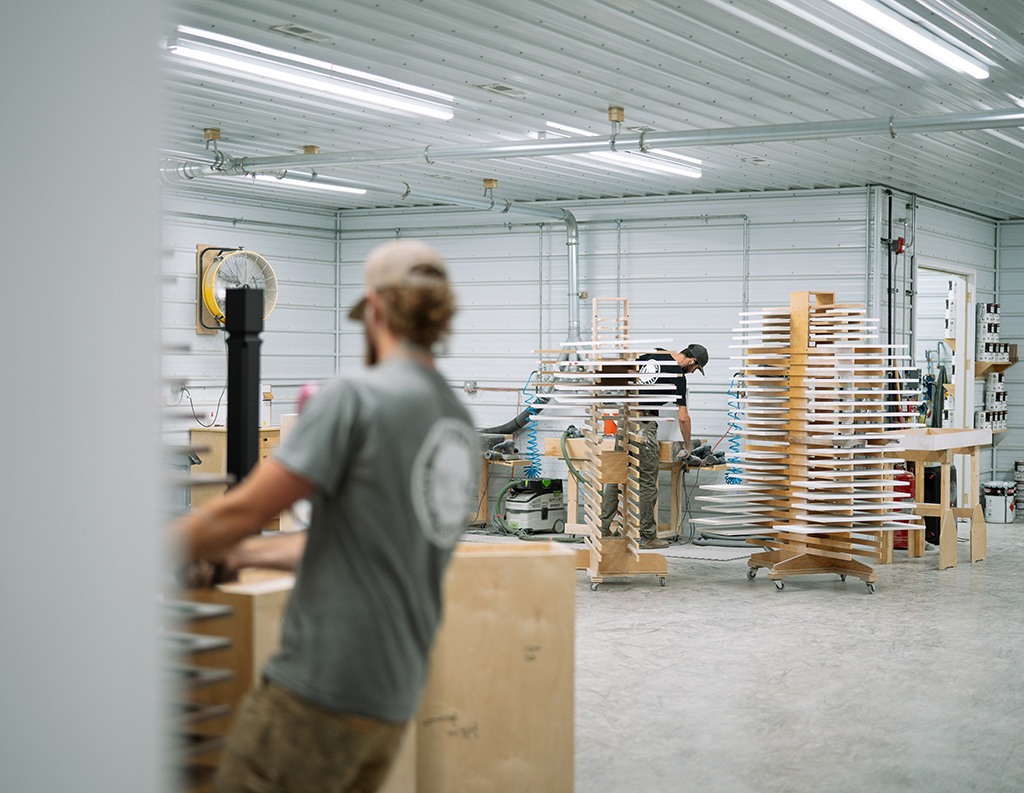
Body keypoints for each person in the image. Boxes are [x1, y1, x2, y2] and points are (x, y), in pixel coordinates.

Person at [172, 239, 478, 793]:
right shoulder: (457, 421)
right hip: (391, 697)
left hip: (319, 692)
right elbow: (368, 544)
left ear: (376, 309)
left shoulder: (359, 396)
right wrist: (241, 555)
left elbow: (241, 509)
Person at [599, 344, 709, 549]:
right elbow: (683, 418)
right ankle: (648, 536)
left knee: (615, 475)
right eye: (696, 369)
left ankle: (603, 528)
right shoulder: (678, 377)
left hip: (625, 421)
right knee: (648, 481)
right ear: (692, 361)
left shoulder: (655, 355)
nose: (693, 373)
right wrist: (687, 446)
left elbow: (628, 372)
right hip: (644, 426)